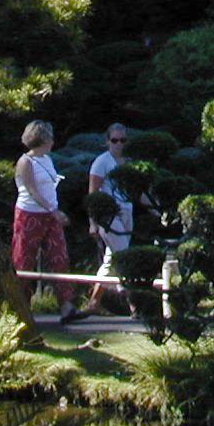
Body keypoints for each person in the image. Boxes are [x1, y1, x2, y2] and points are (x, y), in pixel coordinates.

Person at [13, 119, 79, 324]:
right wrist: (53, 211)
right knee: (24, 260)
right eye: (49, 137)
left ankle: (66, 304)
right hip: (29, 214)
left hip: (50, 214)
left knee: (59, 256)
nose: (52, 141)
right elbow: (32, 191)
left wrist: (54, 211)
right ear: (42, 138)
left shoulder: (47, 159)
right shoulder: (26, 162)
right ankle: (19, 305)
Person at [82, 123, 144, 316]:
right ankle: (135, 305)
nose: (118, 144)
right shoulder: (102, 162)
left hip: (126, 211)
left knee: (112, 259)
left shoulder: (129, 161)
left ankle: (94, 302)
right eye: (114, 140)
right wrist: (93, 222)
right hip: (108, 215)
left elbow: (137, 191)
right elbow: (93, 194)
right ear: (108, 141)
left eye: (122, 140)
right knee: (125, 256)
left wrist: (156, 210)